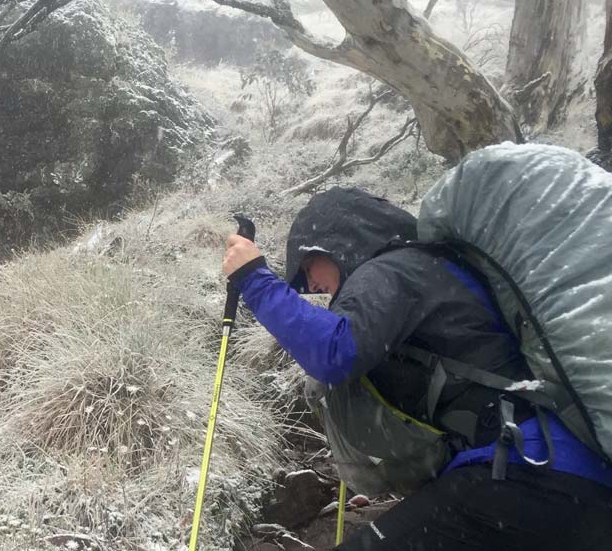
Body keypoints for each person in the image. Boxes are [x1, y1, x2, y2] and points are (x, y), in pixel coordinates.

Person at [221, 187, 612, 551]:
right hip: (560, 477)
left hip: (526, 470)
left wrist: (254, 278)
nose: (311, 284)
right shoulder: (431, 270)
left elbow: (334, 351)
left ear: (337, 241)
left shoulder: (393, 269)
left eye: (309, 267)